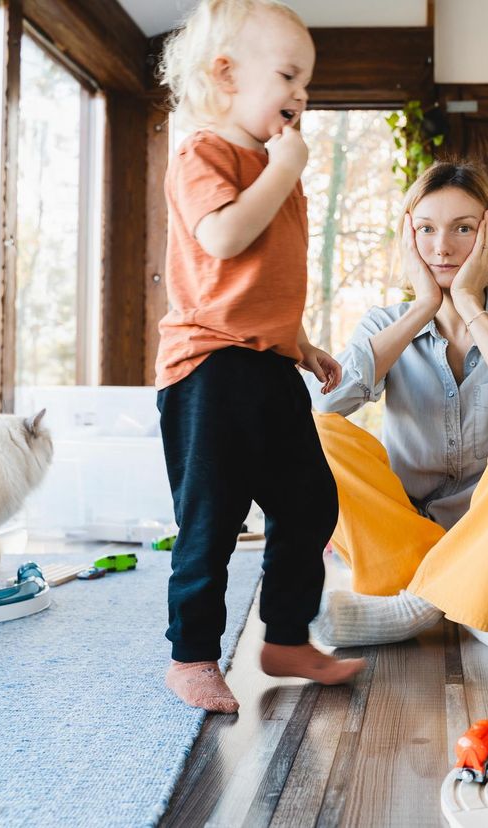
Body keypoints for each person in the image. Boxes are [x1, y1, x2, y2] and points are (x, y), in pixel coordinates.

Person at [304, 160, 488, 653]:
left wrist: (470, 304)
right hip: (400, 551)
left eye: (463, 229)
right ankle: (478, 605)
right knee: (313, 433)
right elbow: (328, 401)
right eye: (425, 229)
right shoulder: (386, 322)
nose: (442, 247)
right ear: (408, 238)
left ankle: (418, 606)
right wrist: (422, 308)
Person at [155, 0, 364, 713]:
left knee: (310, 501)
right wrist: (283, 170)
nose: (300, 96)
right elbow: (222, 241)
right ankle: (191, 656)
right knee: (211, 521)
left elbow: (259, 281)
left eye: (306, 83)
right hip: (209, 369)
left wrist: (298, 342)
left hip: (268, 363)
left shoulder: (275, 164)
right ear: (226, 75)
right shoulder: (205, 152)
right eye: (287, 76)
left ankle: (285, 637)